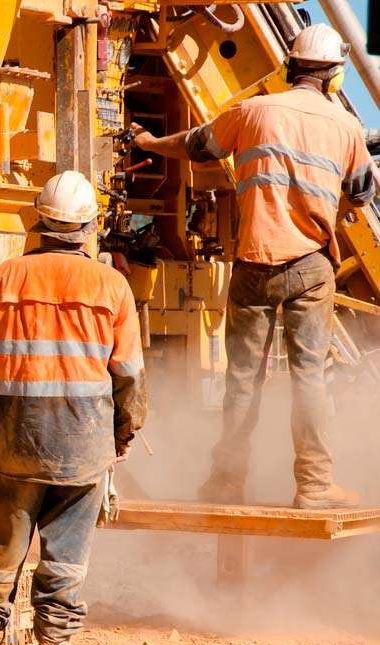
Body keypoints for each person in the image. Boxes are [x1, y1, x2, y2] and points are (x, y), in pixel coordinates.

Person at [130, 23, 375, 510]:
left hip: (253, 262)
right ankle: (313, 486)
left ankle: (225, 482)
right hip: (310, 266)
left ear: (290, 66)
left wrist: (150, 143)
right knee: (309, 378)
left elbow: (197, 145)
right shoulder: (346, 127)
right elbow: (364, 191)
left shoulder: (251, 112)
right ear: (334, 77)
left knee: (242, 379)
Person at [0, 170, 147, 645]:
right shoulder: (112, 286)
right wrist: (123, 433)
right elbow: (129, 376)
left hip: (15, 439)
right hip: (83, 443)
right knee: (67, 553)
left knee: (0, 548)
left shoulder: (0, 279)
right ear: (89, 227)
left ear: (39, 221)